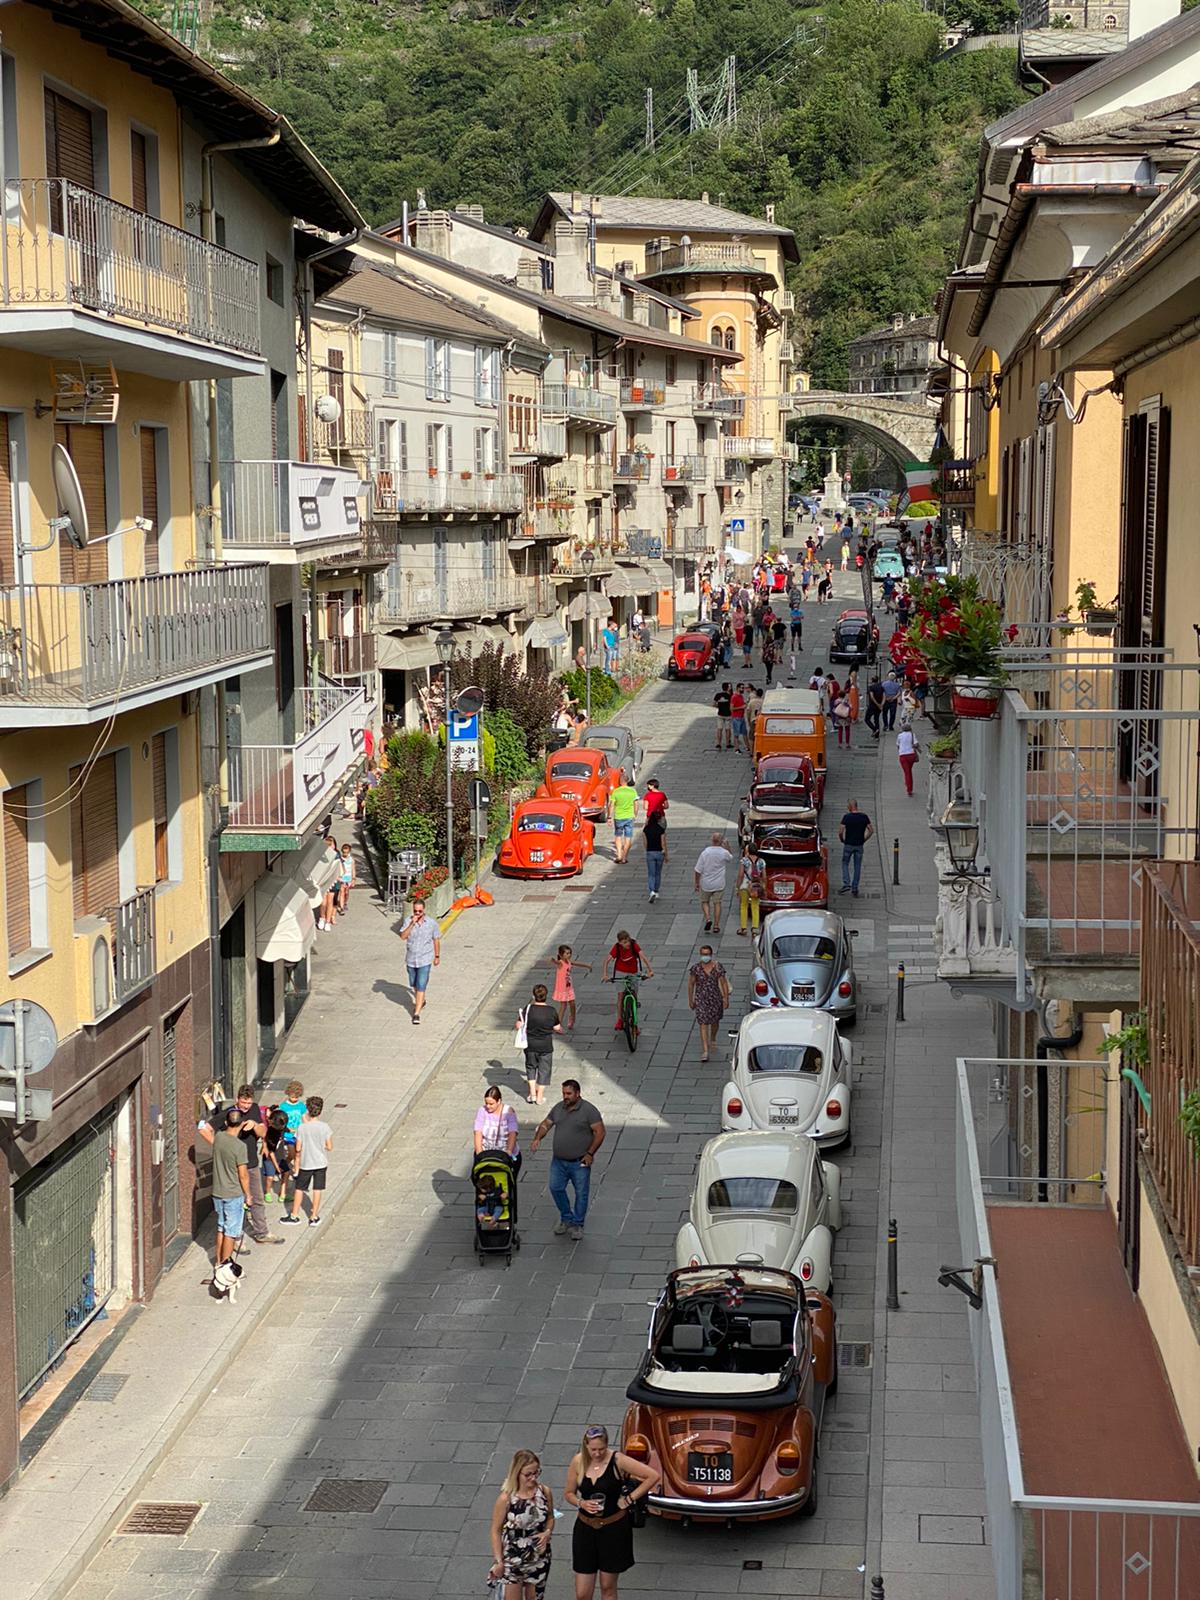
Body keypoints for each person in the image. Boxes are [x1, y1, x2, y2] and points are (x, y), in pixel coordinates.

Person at [565, 1426, 656, 1600]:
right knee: (582, 1593)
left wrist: (629, 1499)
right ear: (586, 1446)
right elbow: (568, 1493)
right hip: (585, 1529)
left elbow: (652, 1476)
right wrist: (581, 1503)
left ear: (607, 1445)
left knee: (607, 1588)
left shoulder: (618, 1460)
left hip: (613, 1528)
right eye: (593, 1450)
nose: (597, 1453)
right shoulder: (578, 1461)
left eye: (601, 1449)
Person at [530, 1080, 606, 1241]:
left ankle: (578, 1223)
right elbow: (546, 1124)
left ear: (577, 1093)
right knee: (555, 1188)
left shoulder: (589, 1111)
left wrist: (590, 1153)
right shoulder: (559, 1108)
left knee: (581, 1193)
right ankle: (566, 1217)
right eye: (564, 1093)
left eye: (569, 1094)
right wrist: (538, 1137)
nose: (565, 1097)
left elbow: (600, 1132)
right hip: (559, 1161)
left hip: (579, 1162)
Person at [490, 1449, 554, 1600]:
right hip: (513, 1555)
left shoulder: (544, 1492)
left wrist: (548, 1531)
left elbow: (550, 1517)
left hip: (538, 1554)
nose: (533, 1478)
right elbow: (495, 1530)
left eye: (536, 1473)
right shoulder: (506, 1498)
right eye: (528, 1474)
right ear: (517, 1473)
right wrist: (499, 1561)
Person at [207, 1107, 251, 1273]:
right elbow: (243, 1175)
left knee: (221, 1228)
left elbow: (206, 1127)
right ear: (241, 1125)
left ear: (226, 1123)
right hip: (233, 1193)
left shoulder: (218, 1137)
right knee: (231, 1232)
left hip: (218, 1191)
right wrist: (249, 1195)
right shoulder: (240, 1146)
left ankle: (218, 1262)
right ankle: (225, 1265)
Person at [283, 1095, 332, 1227]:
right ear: (320, 1111)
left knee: (299, 1188)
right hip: (321, 1163)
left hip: (306, 1163)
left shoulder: (302, 1128)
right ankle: (314, 1216)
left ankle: (294, 1215)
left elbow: (298, 1148)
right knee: (318, 1189)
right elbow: (329, 1146)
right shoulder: (325, 1127)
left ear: (308, 1111)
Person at [520, 983, 564, 1105]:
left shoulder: (528, 1009)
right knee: (544, 1070)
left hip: (530, 1045)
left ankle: (532, 1094)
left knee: (531, 1067)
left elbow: (519, 1024)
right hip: (546, 1045)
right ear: (546, 996)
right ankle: (540, 1097)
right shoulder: (551, 1011)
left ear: (533, 996)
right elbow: (557, 1027)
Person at [400, 897, 441, 1025]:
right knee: (414, 983)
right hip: (411, 959)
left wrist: (437, 956)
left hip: (425, 959)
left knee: (421, 984)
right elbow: (403, 936)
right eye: (415, 911)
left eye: (419, 911)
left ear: (424, 910)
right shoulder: (408, 921)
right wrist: (412, 924)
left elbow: (436, 939)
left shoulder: (431, 923)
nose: (417, 914)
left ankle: (416, 1013)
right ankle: (422, 1000)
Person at [603, 930, 654, 1029]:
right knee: (620, 996)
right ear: (620, 943)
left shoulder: (634, 945)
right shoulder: (617, 947)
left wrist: (650, 971)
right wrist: (605, 975)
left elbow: (643, 957)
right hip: (620, 972)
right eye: (624, 942)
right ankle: (619, 1020)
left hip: (633, 972)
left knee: (634, 995)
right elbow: (606, 961)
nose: (627, 944)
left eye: (628, 941)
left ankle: (635, 1024)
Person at [688, 944, 731, 1062]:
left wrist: (726, 999)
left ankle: (713, 1037)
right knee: (703, 1023)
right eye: (703, 954)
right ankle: (705, 1051)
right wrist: (690, 1000)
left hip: (715, 998)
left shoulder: (717, 967)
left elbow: (723, 983)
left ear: (711, 955)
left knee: (715, 1022)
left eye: (707, 954)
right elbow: (691, 984)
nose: (705, 956)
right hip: (701, 999)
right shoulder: (695, 968)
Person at [693, 832, 733, 934]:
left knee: (705, 901)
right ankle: (716, 925)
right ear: (721, 841)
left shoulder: (705, 853)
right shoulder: (724, 852)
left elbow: (698, 870)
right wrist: (727, 846)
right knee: (717, 903)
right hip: (719, 883)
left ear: (712, 840)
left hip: (706, 883)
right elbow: (730, 858)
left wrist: (697, 883)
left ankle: (707, 918)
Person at [475, 1085, 521, 1172]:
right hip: (486, 1153)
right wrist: (480, 1154)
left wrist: (509, 1152)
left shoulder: (508, 1111)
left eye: (491, 1104)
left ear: (499, 1101)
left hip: (504, 1154)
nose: (488, 1106)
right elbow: (478, 1132)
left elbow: (512, 1133)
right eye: (486, 1103)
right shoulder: (482, 1111)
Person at [550, 944, 590, 1031]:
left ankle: (572, 1018)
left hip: (569, 987)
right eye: (567, 953)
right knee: (563, 1005)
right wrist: (552, 960)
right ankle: (558, 1024)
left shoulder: (569, 962)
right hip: (562, 988)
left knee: (572, 1003)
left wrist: (587, 966)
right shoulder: (560, 963)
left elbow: (577, 963)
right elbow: (556, 962)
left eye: (570, 953)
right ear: (561, 955)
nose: (569, 955)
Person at [839, 800, 874, 897]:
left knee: (845, 863)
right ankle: (855, 887)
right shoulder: (864, 817)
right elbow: (871, 830)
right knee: (857, 866)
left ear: (850, 806)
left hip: (848, 845)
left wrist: (842, 839)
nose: (847, 807)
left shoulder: (847, 817)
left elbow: (840, 831)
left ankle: (846, 883)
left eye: (848, 806)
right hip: (859, 845)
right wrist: (864, 839)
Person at [607, 775, 638, 864]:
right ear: (627, 781)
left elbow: (611, 805)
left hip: (619, 817)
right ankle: (624, 857)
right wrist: (635, 815)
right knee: (628, 837)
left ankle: (619, 855)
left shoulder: (616, 791)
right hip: (629, 817)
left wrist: (609, 817)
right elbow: (636, 804)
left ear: (620, 781)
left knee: (618, 835)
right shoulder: (632, 791)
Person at [736, 842, 763, 937]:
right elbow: (764, 876)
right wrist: (763, 886)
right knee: (755, 906)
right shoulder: (761, 861)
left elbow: (740, 875)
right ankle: (755, 928)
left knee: (744, 906)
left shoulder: (744, 861)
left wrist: (737, 887)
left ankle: (743, 928)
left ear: (748, 851)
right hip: (756, 886)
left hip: (745, 885)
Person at [643, 802, 668, 902]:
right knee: (658, 873)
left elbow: (645, 843)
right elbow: (663, 844)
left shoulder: (646, 829)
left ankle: (651, 891)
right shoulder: (661, 829)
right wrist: (666, 855)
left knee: (651, 873)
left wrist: (647, 850)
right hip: (659, 853)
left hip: (650, 852)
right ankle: (656, 891)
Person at [897, 723, 920, 795]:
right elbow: (916, 744)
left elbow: (898, 745)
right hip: (911, 755)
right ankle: (908, 783)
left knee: (907, 772)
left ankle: (909, 788)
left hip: (903, 756)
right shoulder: (912, 735)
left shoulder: (900, 735)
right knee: (909, 771)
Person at [336, 841, 356, 915]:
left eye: (347, 852)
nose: (345, 854)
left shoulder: (352, 860)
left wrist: (353, 879)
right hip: (342, 878)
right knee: (342, 892)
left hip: (349, 878)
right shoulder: (340, 860)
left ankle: (344, 902)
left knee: (346, 893)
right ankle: (341, 908)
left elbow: (353, 869)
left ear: (349, 852)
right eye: (344, 852)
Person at [712, 681, 733, 749]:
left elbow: (713, 704)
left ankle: (718, 743)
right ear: (728, 688)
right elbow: (731, 706)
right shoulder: (730, 696)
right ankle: (727, 743)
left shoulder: (718, 695)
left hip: (720, 714)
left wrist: (719, 707)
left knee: (719, 729)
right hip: (728, 714)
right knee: (728, 729)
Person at [729, 684, 748, 754]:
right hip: (736, 718)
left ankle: (747, 747)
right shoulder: (734, 697)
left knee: (745, 733)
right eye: (742, 688)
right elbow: (731, 708)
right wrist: (741, 707)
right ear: (737, 688)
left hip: (741, 717)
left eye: (744, 688)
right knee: (736, 734)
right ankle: (736, 749)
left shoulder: (741, 696)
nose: (743, 689)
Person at [865, 674, 885, 739]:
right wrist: (881, 704)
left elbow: (872, 697)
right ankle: (877, 735)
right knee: (876, 719)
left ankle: (874, 729)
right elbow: (884, 696)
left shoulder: (871, 687)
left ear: (872, 680)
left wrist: (877, 704)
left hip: (872, 705)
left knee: (867, 719)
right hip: (879, 706)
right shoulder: (881, 687)